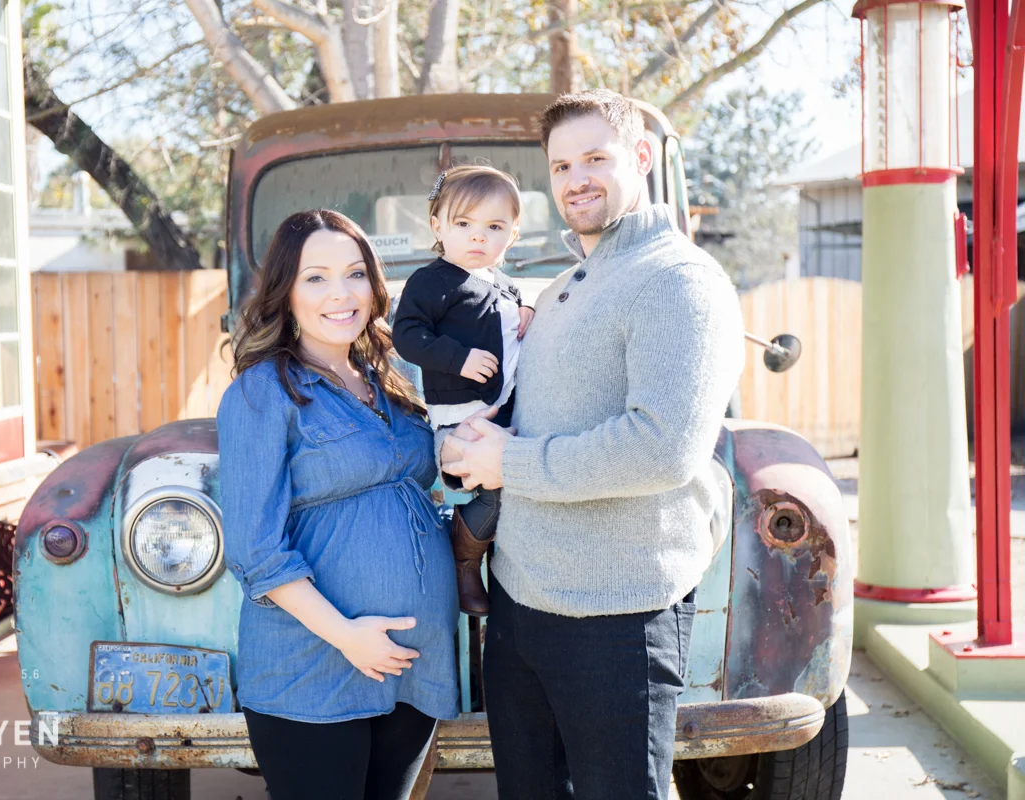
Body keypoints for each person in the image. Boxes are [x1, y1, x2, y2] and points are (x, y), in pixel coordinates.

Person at [440, 90, 745, 799]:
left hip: (617, 618)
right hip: (521, 605)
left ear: (640, 157)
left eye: (595, 159)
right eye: (561, 166)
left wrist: (506, 460)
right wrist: (483, 438)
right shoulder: (563, 288)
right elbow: (551, 417)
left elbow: (663, 446)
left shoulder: (677, 281)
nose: (576, 179)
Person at [216, 209, 459, 800]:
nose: (341, 294)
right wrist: (347, 635)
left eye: (354, 274)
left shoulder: (393, 378)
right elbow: (255, 549)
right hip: (314, 668)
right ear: (286, 293)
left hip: (410, 664)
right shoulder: (261, 393)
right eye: (316, 278)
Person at [391, 165, 535, 616]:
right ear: (437, 227)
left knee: (529, 487)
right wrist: (458, 358)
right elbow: (406, 335)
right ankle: (464, 562)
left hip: (508, 413)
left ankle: (514, 578)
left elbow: (510, 325)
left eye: (494, 227)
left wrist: (527, 311)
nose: (478, 236)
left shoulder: (506, 286)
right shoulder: (432, 282)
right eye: (464, 223)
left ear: (512, 235)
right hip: (462, 417)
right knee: (493, 492)